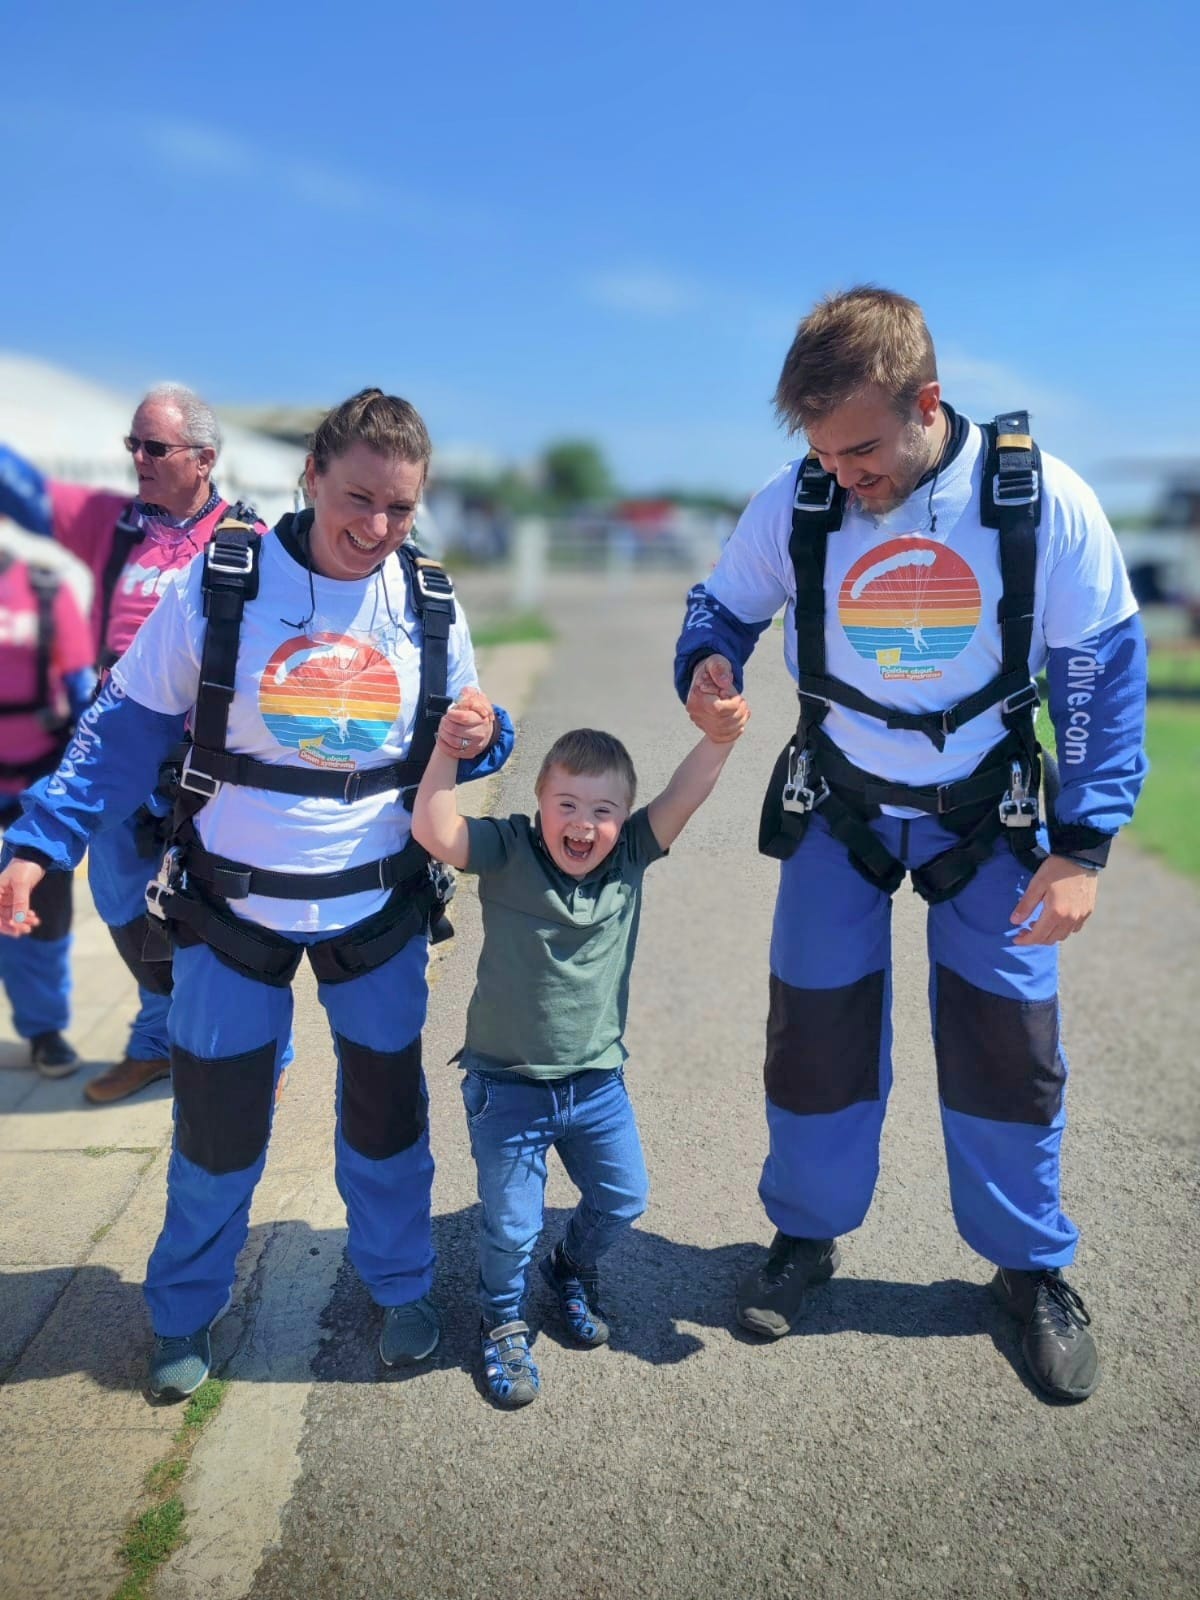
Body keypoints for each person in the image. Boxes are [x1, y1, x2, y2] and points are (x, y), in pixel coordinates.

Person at [674, 286, 1147, 1404]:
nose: (848, 475)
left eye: (865, 450)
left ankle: (1028, 1270)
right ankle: (807, 1235)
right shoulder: (799, 499)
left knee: (1008, 1051)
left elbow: (1098, 676)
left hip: (992, 821)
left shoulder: (1037, 499)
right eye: (825, 453)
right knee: (815, 1036)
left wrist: (1082, 848)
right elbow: (723, 604)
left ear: (928, 402)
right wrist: (707, 664)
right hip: (839, 808)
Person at [0, 388, 513, 1400]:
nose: (376, 528)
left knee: (387, 1122)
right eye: (358, 498)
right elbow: (124, 726)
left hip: (378, 911)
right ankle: (184, 1310)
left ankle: (401, 1282)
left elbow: (478, 728)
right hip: (229, 916)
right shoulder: (223, 582)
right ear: (310, 475)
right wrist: (41, 841)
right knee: (216, 1132)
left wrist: (487, 736)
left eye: (400, 509)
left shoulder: (430, 601)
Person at [413, 716, 745, 1407]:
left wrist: (719, 739)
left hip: (596, 1083)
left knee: (625, 1198)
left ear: (625, 818)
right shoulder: (508, 849)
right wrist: (447, 751)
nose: (585, 825)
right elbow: (436, 831)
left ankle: (569, 1267)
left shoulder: (629, 858)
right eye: (567, 805)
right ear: (540, 803)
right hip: (508, 1086)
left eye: (604, 811)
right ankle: (502, 1319)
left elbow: (685, 794)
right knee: (511, 1225)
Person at [0, 386, 262, 1102]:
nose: (137, 460)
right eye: (132, 445)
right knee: (120, 903)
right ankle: (159, 1037)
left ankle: (253, 1053)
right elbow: (19, 488)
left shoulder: (249, 540)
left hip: (206, 762)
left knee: (222, 914)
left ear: (205, 458)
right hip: (120, 754)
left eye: (155, 447)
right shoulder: (111, 526)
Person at [0, 546, 96, 1074]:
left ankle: (43, 1029)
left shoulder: (43, 590)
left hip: (35, 782)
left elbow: (84, 694)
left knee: (31, 912)